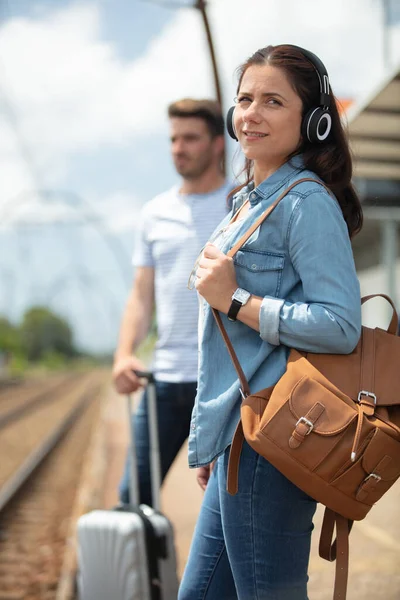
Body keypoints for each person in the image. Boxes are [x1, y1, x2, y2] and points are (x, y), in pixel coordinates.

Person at [179, 45, 363, 600]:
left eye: (273, 101)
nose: (251, 113)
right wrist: (213, 434)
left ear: (314, 120)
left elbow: (340, 324)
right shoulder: (250, 201)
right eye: (244, 99)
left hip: (274, 436)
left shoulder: (306, 202)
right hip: (240, 432)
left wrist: (235, 298)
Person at [112, 98, 231, 506]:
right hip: (164, 382)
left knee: (225, 505)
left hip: (225, 382)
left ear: (218, 144)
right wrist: (124, 354)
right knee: (132, 501)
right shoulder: (154, 213)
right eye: (174, 139)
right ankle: (148, 573)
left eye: (191, 138)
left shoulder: (242, 205)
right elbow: (141, 296)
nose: (178, 148)